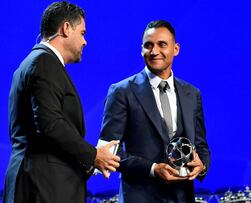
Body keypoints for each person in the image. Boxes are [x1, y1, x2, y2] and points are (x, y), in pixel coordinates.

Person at [3, 2, 120, 203]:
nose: (85, 41)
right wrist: (93, 155)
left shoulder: (33, 62)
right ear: (66, 28)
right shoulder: (44, 62)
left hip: (39, 182)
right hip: (43, 187)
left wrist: (90, 162)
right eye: (82, 33)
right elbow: (50, 125)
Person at [98, 20, 210, 203]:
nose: (154, 51)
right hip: (140, 196)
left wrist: (202, 166)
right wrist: (152, 169)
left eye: (162, 44)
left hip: (182, 196)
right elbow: (111, 152)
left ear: (176, 49)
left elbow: (201, 146)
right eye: (148, 45)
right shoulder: (121, 91)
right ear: (141, 49)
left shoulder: (192, 93)